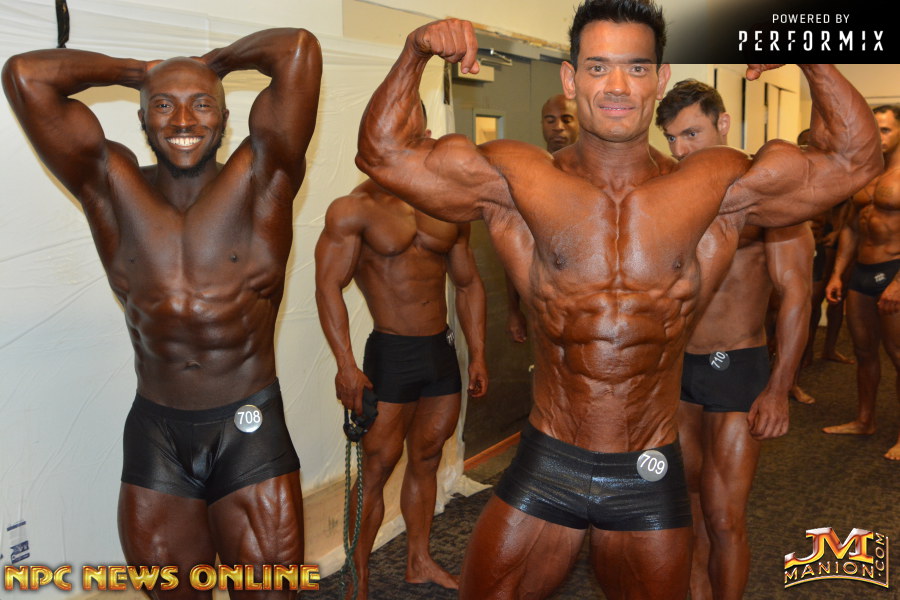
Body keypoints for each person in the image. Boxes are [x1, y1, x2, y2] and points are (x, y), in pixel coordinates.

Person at [354, 1, 880, 597]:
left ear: (660, 78)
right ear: (570, 78)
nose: (617, 86)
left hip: (647, 465)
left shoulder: (714, 185)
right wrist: (415, 52)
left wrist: (812, 56)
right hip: (550, 456)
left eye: (636, 67)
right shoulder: (517, 180)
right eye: (598, 67)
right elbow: (382, 154)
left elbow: (854, 160)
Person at [3, 28, 322, 599]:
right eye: (164, 106)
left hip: (248, 428)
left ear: (225, 118)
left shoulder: (262, 178)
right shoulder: (109, 184)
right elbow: (25, 75)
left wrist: (214, 62)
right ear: (143, 120)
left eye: (202, 104)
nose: (184, 120)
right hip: (158, 437)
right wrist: (136, 71)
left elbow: (296, 48)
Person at [314, 108, 488, 598]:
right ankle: (358, 576)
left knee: (428, 457)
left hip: (439, 352)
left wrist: (477, 353)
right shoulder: (354, 209)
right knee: (376, 468)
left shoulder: (446, 206)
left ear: (425, 137)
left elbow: (469, 283)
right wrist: (346, 365)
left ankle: (419, 560)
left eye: (411, 135)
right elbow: (327, 287)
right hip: (392, 354)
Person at [656, 79, 814, 600]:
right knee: (685, 507)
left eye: (692, 134)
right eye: (672, 138)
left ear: (723, 124)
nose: (681, 149)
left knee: (724, 517)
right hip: (678, 370)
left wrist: (779, 388)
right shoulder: (670, 194)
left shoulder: (764, 197)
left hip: (738, 367)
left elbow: (796, 295)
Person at [824, 104, 900, 461]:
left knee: (898, 355)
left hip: (895, 270)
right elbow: (852, 228)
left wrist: (898, 283)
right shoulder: (867, 173)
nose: (878, 136)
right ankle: (864, 420)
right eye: (874, 129)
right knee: (864, 351)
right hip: (862, 273)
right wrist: (838, 272)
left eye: (885, 130)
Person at [506, 94, 581, 342]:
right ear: (542, 125)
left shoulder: (597, 175)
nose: (558, 126)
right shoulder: (528, 178)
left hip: (589, 305)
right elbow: (515, 247)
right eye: (550, 120)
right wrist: (514, 310)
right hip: (543, 304)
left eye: (566, 119)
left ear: (580, 123)